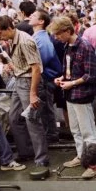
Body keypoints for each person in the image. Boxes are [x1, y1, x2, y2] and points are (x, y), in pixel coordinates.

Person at [0, 16, 50, 179]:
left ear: (8, 28)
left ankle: (42, 159)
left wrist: (32, 94)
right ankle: (26, 152)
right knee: (14, 118)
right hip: (20, 80)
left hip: (29, 82)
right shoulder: (12, 39)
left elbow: (36, 69)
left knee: (32, 121)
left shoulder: (24, 41)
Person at [48, 16, 96, 179]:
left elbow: (91, 75)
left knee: (88, 131)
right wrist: (63, 78)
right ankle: (81, 155)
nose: (56, 37)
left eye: (58, 34)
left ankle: (95, 162)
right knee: (76, 130)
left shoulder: (85, 47)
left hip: (81, 94)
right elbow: (71, 70)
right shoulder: (67, 46)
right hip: (71, 93)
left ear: (68, 31)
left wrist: (72, 83)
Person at [29, 9, 62, 144]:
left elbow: (44, 57)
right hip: (45, 76)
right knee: (45, 108)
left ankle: (51, 135)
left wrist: (35, 68)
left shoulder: (42, 38)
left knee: (46, 109)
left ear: (41, 21)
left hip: (46, 77)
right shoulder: (38, 36)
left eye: (34, 15)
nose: (31, 15)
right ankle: (50, 134)